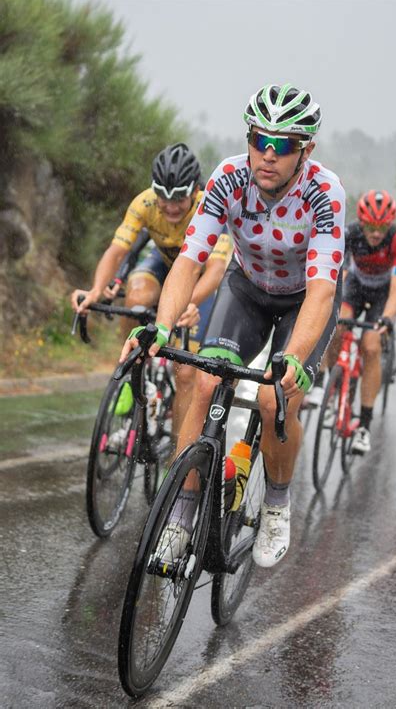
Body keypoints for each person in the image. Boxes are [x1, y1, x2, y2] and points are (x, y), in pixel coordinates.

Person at [121, 83, 345, 568]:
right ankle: (181, 515)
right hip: (246, 289)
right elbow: (189, 259)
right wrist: (159, 330)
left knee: (273, 400)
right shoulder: (227, 177)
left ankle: (278, 502)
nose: (267, 154)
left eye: (283, 144)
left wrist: (292, 360)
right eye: (258, 138)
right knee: (204, 382)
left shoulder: (324, 193)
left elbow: (324, 290)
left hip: (305, 300)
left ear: (307, 149)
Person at [71, 143, 232, 433]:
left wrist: (187, 304)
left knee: (186, 374)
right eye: (163, 197)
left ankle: (178, 462)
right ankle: (130, 368)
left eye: (179, 198)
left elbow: (216, 270)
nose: (170, 206)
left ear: (195, 191)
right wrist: (96, 289)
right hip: (163, 261)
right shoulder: (144, 203)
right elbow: (117, 250)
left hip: (199, 275)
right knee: (136, 296)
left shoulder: (210, 206)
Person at [331, 189, 396, 454]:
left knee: (372, 346)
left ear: (389, 225)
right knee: (336, 325)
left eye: (382, 227)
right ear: (362, 222)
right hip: (355, 285)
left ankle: (364, 425)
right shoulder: (350, 233)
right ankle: (333, 385)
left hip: (383, 293)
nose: (376, 233)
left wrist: (388, 317)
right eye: (371, 226)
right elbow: (337, 276)